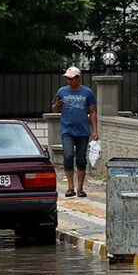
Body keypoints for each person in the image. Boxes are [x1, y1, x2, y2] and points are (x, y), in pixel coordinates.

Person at [51, 66, 97, 198]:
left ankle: (80, 188)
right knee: (68, 155)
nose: (69, 81)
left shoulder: (87, 92)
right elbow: (54, 109)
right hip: (67, 129)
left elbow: (93, 111)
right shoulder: (62, 91)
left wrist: (95, 131)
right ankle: (70, 187)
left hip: (82, 131)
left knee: (81, 160)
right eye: (67, 79)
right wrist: (58, 105)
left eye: (71, 79)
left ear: (78, 78)